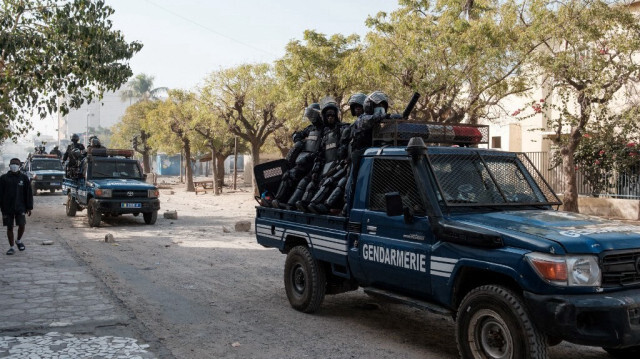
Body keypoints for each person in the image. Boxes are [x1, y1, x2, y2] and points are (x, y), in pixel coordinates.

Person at [296, 97, 348, 212]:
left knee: (329, 182)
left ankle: (318, 205)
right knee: (311, 183)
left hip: (340, 166)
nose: (330, 118)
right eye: (328, 116)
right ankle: (305, 204)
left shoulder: (343, 128)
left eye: (332, 115)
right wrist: (315, 171)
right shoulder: (325, 133)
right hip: (326, 166)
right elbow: (320, 154)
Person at [271, 104, 323, 209]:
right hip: (304, 161)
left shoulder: (325, 129)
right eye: (309, 115)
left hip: (316, 162)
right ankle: (278, 200)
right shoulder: (310, 129)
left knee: (303, 182)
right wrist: (299, 141)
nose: (310, 118)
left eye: (312, 115)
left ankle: (290, 204)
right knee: (288, 175)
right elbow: (296, 135)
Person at [0, 158, 34, 255]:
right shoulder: (3, 178)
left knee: (22, 225)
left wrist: (29, 207)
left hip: (20, 206)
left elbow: (28, 194)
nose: (14, 165)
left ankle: (18, 240)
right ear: (9, 165)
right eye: (12, 164)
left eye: (16, 164)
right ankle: (11, 247)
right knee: (9, 227)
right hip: (7, 207)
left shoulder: (24, 178)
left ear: (19, 166)